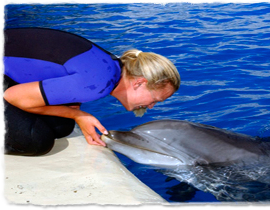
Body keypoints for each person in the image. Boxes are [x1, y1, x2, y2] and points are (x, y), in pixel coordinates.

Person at [1, 28, 180, 156]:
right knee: (36, 142)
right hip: (7, 82)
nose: (151, 106)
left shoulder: (111, 67)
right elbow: (13, 98)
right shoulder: (99, 83)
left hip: (7, 75)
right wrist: (79, 115)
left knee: (61, 125)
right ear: (140, 82)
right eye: (154, 99)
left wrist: (73, 113)